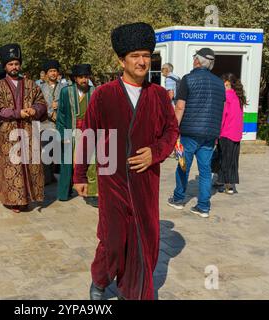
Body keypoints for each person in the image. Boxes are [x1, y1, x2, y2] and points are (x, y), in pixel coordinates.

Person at [73, 22, 179, 300]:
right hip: (113, 180)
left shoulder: (157, 95)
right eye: (135, 56)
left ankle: (133, 292)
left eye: (146, 55)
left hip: (146, 183)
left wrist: (155, 152)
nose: (142, 61)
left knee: (145, 240)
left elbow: (171, 131)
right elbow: (88, 136)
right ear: (122, 60)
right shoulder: (104, 95)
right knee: (113, 240)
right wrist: (80, 175)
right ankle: (100, 280)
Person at [0, 43, 48, 213]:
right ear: (5, 66)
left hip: (28, 133)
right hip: (8, 136)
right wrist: (18, 113)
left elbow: (41, 103)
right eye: (11, 64)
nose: (14, 67)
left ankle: (28, 197)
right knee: (12, 167)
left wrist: (35, 109)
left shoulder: (31, 84)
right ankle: (14, 201)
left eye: (16, 64)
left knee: (30, 166)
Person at [167, 48, 226, 218]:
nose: (193, 60)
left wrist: (173, 130)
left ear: (198, 61)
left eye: (194, 57)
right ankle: (203, 207)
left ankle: (178, 199)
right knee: (205, 171)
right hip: (209, 134)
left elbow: (180, 106)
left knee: (183, 165)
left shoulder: (188, 79)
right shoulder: (219, 83)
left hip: (189, 132)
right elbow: (220, 109)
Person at [56, 64, 98, 207]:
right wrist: (62, 134)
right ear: (75, 78)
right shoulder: (66, 92)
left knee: (91, 163)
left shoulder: (95, 91)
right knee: (67, 164)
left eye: (86, 77)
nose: (84, 80)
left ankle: (91, 194)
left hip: (90, 133)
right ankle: (65, 191)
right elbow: (61, 115)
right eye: (81, 77)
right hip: (70, 131)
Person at [215, 73, 246, 195]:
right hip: (236, 134)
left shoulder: (226, 96)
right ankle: (222, 181)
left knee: (225, 159)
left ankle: (228, 185)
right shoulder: (238, 97)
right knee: (232, 159)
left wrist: (217, 133)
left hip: (226, 133)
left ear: (227, 83)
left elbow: (222, 116)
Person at [39, 60, 66, 185]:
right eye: (51, 71)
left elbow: (67, 103)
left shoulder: (64, 88)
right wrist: (51, 112)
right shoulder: (40, 88)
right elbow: (40, 104)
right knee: (46, 151)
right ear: (46, 73)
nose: (53, 73)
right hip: (46, 123)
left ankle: (56, 176)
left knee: (58, 152)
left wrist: (59, 106)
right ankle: (46, 178)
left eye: (55, 71)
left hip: (60, 124)